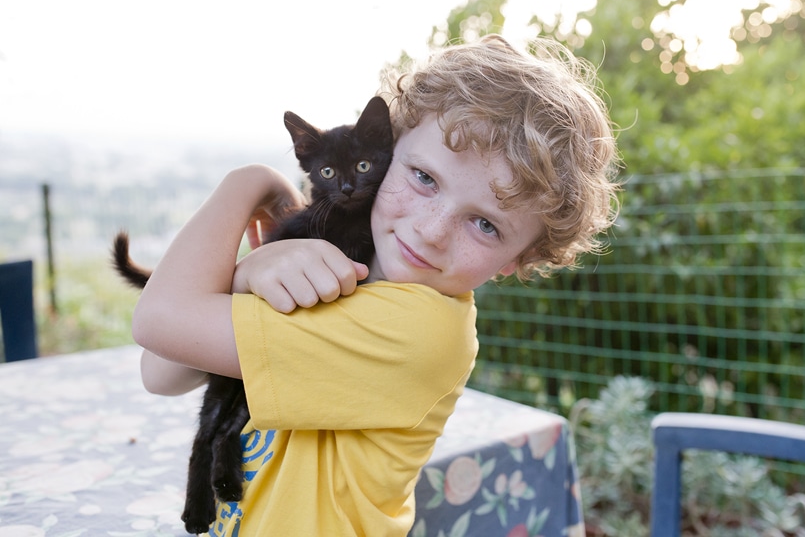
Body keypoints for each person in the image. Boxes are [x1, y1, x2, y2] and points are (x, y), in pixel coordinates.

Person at [132, 34, 620, 536]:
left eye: (486, 225)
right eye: (425, 178)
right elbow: (163, 372)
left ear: (520, 260)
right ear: (387, 148)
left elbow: (158, 324)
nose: (431, 231)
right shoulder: (356, 274)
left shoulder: (415, 330)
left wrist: (248, 183)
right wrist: (251, 273)